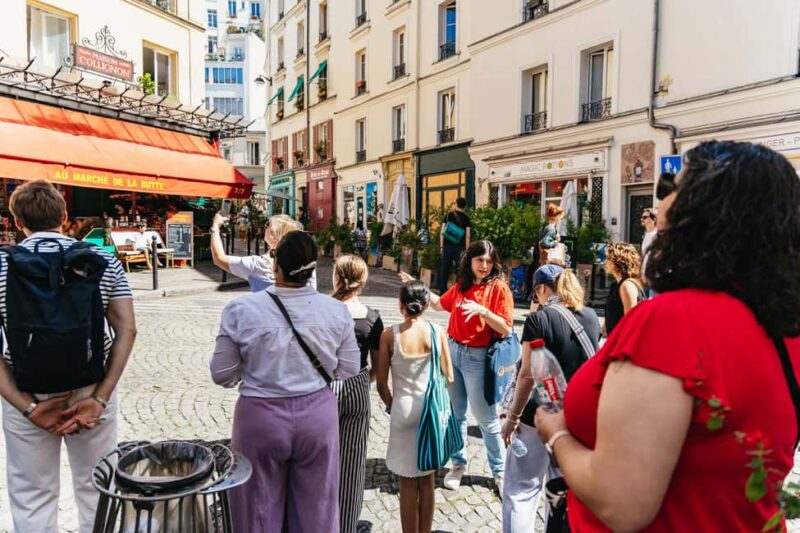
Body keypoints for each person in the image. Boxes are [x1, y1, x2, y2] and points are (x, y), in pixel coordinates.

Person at [535, 140, 800, 532]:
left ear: (703, 208)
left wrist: (556, 435)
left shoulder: (674, 321)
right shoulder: (784, 328)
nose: (662, 198)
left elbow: (620, 504)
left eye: (674, 186)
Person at [0, 179, 136, 531]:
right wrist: (100, 399)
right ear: (64, 216)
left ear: (17, 221)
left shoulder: (2, 266)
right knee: (98, 490)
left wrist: (28, 407)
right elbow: (127, 330)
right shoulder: (103, 260)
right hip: (90, 388)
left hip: (25, 389)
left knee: (32, 494)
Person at [211, 231, 360, 533]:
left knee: (256, 507)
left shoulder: (241, 310)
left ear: (275, 265)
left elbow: (222, 372)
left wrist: (257, 367)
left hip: (260, 415)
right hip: (317, 413)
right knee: (317, 505)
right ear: (313, 268)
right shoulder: (336, 311)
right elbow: (349, 368)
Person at [401, 240, 514, 493]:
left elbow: (506, 327)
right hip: (453, 353)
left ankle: (500, 472)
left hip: (478, 358)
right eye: (479, 260)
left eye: (488, 261)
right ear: (469, 261)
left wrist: (483, 312)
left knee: (487, 419)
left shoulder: (498, 289)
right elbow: (440, 304)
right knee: (456, 415)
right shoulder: (463, 285)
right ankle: (458, 464)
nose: (484, 265)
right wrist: (414, 286)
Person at [500, 265, 600, 532]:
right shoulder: (590, 316)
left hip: (537, 415)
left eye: (536, 292)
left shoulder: (539, 320)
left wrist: (512, 417)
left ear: (542, 289)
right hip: (573, 419)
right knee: (560, 491)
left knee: (522, 489)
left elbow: (527, 376)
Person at [376, 281, 453, 533]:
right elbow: (448, 375)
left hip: (403, 410)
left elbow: (381, 384)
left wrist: (391, 406)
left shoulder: (390, 335)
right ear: (425, 304)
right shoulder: (437, 331)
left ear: (401, 305)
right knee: (427, 480)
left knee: (407, 483)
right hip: (429, 412)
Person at [331, 255, 384, 532]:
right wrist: (365, 381)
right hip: (357, 384)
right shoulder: (372, 317)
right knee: (352, 464)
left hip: (323, 387)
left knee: (317, 459)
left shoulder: (322, 309)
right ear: (363, 282)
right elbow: (377, 367)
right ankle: (347, 525)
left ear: (337, 277)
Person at [210, 212, 316, 292]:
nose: (264, 227)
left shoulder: (260, 265)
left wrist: (215, 227)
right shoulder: (306, 264)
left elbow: (219, 259)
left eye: (267, 224)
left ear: (274, 236)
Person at [602, 242, 645, 336]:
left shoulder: (627, 286)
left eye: (608, 258)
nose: (605, 262)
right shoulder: (617, 286)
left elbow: (631, 323)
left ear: (617, 261)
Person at [438, 197, 471, 295]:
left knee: (445, 269)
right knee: (460, 271)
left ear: (456, 204)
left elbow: (442, 231)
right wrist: (467, 250)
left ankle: (442, 293)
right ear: (464, 206)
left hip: (447, 246)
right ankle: (458, 292)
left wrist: (441, 246)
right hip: (460, 248)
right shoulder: (466, 218)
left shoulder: (448, 215)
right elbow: (468, 235)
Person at [640, 207, 658, 296]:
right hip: (644, 275)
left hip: (653, 275)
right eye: (642, 217)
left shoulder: (657, 235)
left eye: (645, 217)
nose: (642, 219)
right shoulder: (644, 234)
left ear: (654, 219)